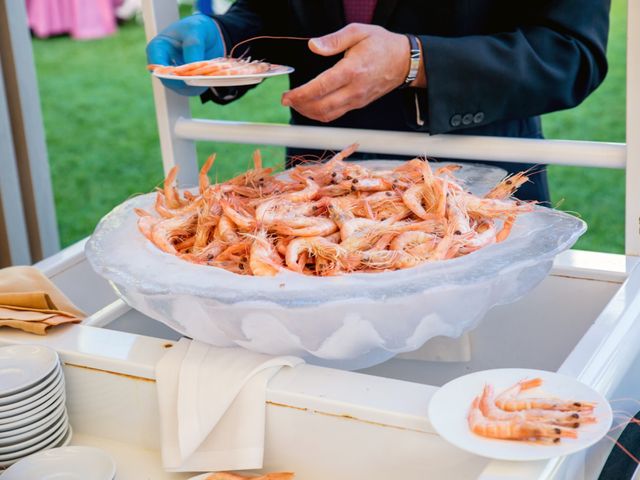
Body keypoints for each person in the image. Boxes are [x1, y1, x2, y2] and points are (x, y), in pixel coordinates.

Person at [146, 1, 611, 202]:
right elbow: (277, 13)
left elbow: (570, 53)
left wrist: (416, 61)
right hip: (318, 188)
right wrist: (224, 38)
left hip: (477, 186)